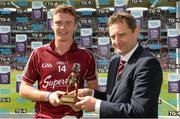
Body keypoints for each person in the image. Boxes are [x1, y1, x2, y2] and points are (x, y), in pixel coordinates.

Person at [74, 12, 163, 118]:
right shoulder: (115, 60)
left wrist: (96, 105)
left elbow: (138, 111)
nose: (117, 41)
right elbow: (112, 98)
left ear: (136, 31)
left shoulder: (148, 64)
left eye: (122, 35)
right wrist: (92, 93)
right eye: (113, 36)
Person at [19, 4, 98, 118]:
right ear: (52, 25)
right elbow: (23, 89)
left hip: (72, 116)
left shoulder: (86, 56)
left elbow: (93, 90)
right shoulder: (38, 53)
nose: (63, 27)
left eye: (68, 23)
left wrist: (81, 101)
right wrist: (49, 96)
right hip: (43, 116)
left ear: (75, 26)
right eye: (58, 23)